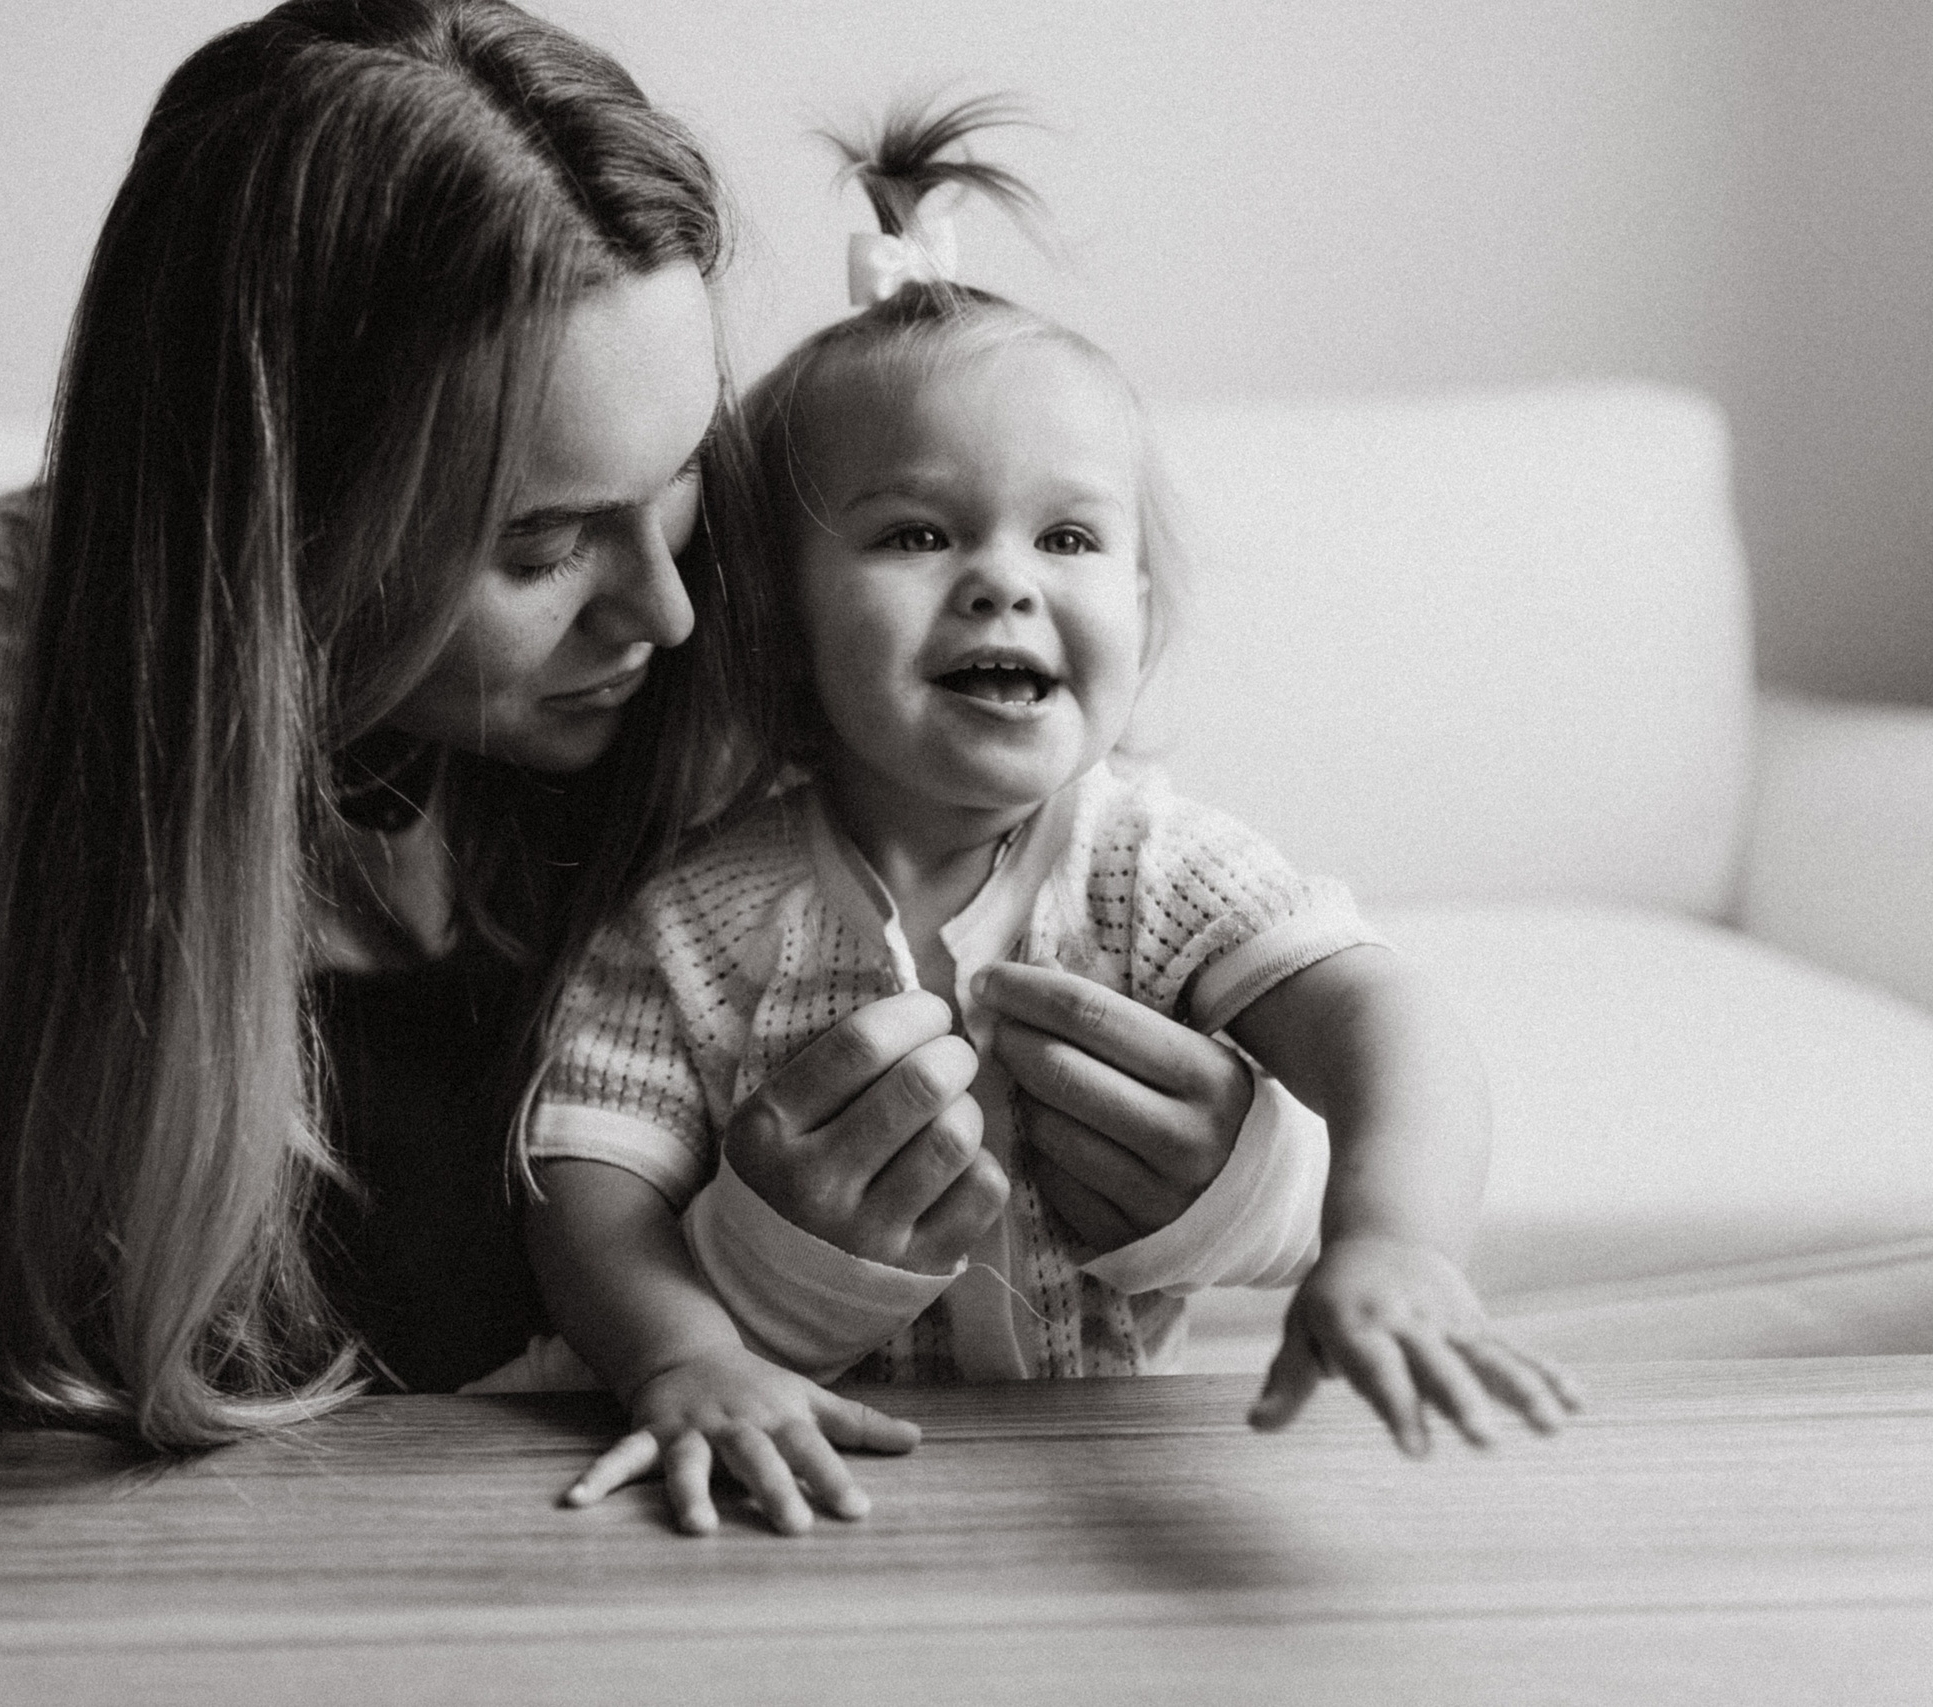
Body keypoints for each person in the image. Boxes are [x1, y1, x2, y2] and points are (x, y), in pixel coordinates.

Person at [0, 4, 1297, 1457]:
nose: (666, 617)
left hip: (317, 1046)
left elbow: (1069, 879)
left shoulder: (677, 600)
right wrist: (741, 1268)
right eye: (535, 545)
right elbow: (61, 1336)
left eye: (674, 496)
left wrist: (1233, 1172)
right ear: (286, 540)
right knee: (410, 1210)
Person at [518, 103, 1586, 1534]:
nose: (1004, 581)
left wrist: (1392, 1242)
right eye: (917, 533)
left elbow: (1391, 1026)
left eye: (1070, 538)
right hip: (817, 1482)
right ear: (771, 624)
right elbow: (588, 1181)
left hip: (1102, 1484)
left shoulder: (1154, 867)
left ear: (1139, 620)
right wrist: (690, 1356)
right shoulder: (701, 915)